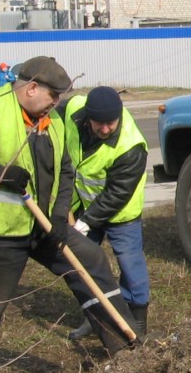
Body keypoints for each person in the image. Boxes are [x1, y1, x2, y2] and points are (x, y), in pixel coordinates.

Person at [0, 56, 141, 373]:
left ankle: (123, 349)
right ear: (31, 88)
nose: (56, 103)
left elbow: (64, 169)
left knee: (91, 262)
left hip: (43, 226)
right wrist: (1, 174)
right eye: (52, 96)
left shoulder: (53, 121)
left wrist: (61, 216)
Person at [59, 86, 151, 339]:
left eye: (111, 123)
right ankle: (95, 316)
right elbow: (53, 119)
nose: (106, 129)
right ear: (88, 117)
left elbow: (117, 193)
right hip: (83, 207)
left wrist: (85, 223)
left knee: (130, 265)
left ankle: (137, 323)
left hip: (121, 213)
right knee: (84, 265)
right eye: (99, 123)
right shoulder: (71, 110)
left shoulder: (131, 145)